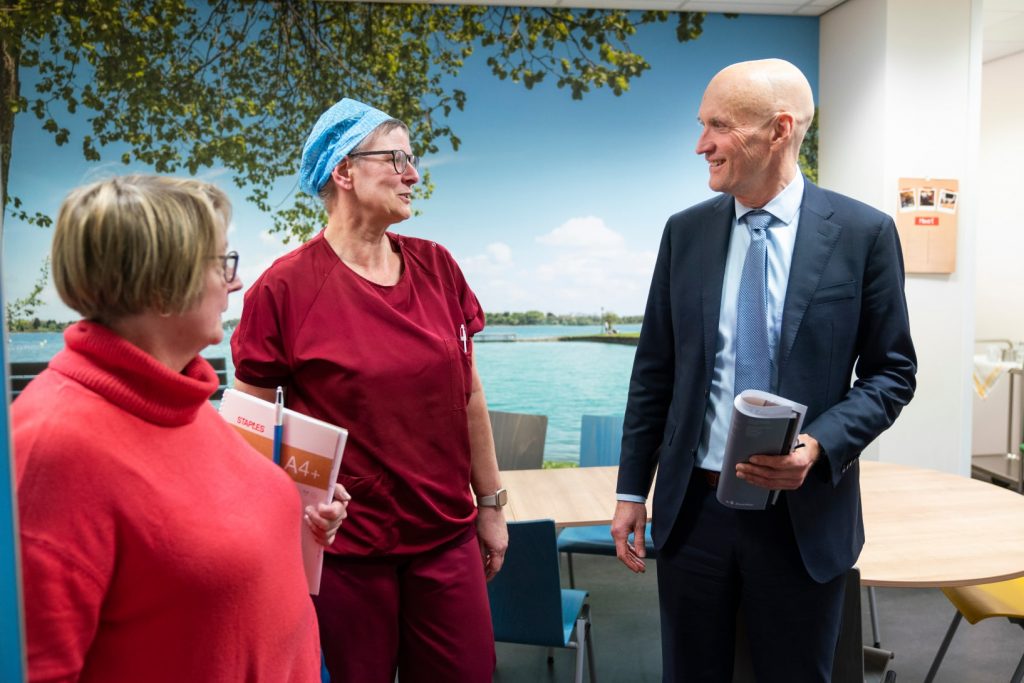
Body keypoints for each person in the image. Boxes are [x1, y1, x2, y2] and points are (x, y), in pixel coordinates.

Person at [611, 59, 917, 681]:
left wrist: (816, 447)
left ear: (779, 130)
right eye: (702, 125)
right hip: (693, 513)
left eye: (718, 126)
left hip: (802, 520)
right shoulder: (685, 234)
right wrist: (629, 491)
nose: (702, 145)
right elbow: (655, 372)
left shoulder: (864, 234)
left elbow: (892, 373)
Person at [13, 175, 350, 682]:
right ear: (161, 284)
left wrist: (294, 522)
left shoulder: (180, 396)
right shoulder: (52, 446)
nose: (235, 283)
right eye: (223, 264)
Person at [231, 98, 507, 683]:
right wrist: (284, 527)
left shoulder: (439, 268)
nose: (413, 174)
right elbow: (249, 430)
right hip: (345, 553)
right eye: (397, 158)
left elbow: (470, 396)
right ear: (344, 171)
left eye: (414, 160)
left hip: (447, 538)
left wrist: (491, 505)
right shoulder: (283, 288)